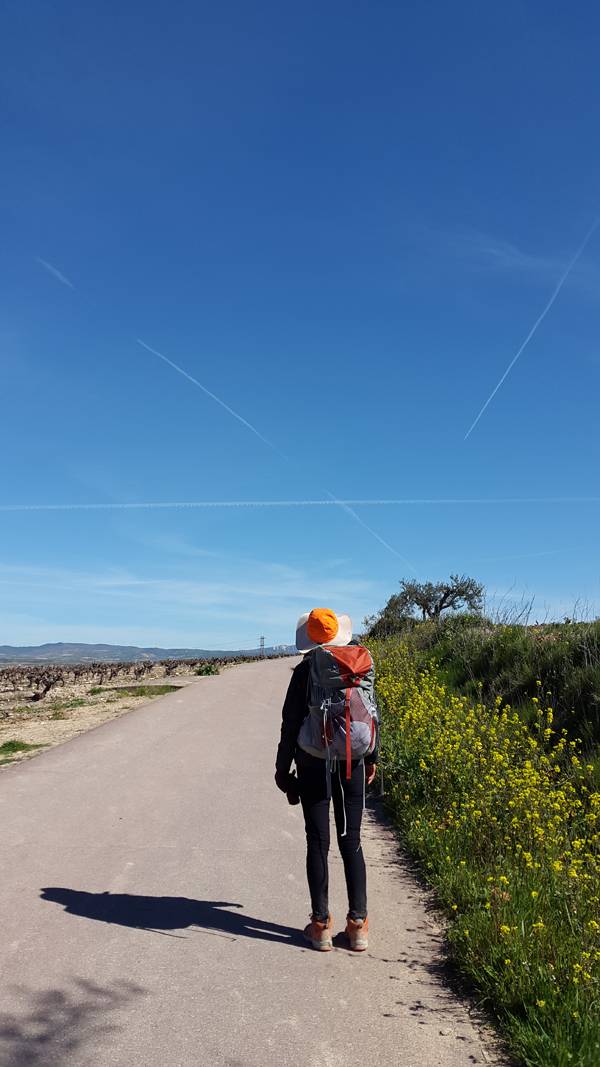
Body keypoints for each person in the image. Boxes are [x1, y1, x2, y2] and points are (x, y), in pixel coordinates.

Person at [275, 607, 378, 952]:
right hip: (353, 760)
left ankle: (320, 926)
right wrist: (372, 758)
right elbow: (372, 713)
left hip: (312, 761)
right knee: (352, 841)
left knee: (317, 842)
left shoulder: (305, 670)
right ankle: (358, 926)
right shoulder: (359, 664)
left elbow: (290, 723)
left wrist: (282, 770)